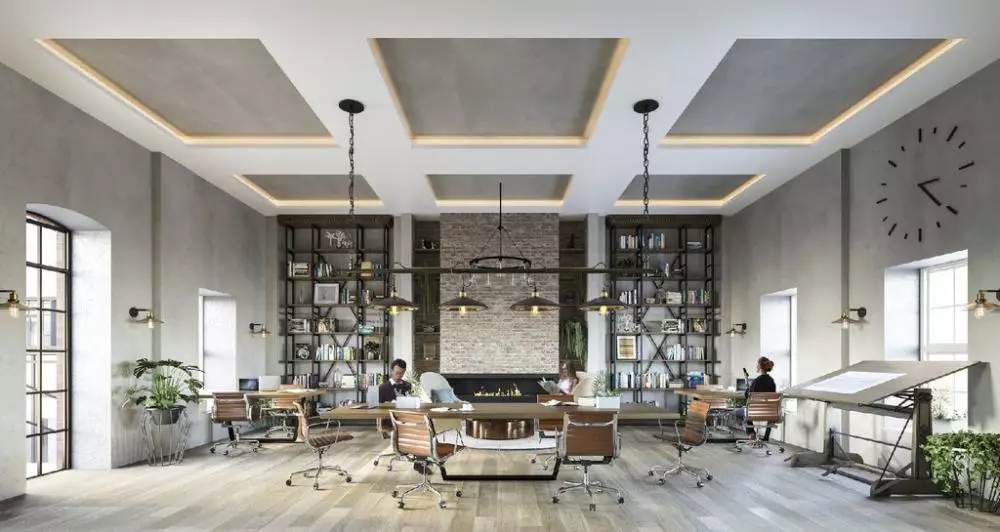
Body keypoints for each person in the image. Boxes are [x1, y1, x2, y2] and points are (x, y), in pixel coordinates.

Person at [733, 356, 776, 440]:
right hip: (769, 413)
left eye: (757, 364)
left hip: (754, 412)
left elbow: (747, 396)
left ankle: (751, 433)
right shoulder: (772, 381)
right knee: (748, 411)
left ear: (760, 366)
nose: (756, 366)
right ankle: (766, 437)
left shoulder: (756, 381)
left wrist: (747, 387)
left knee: (737, 412)